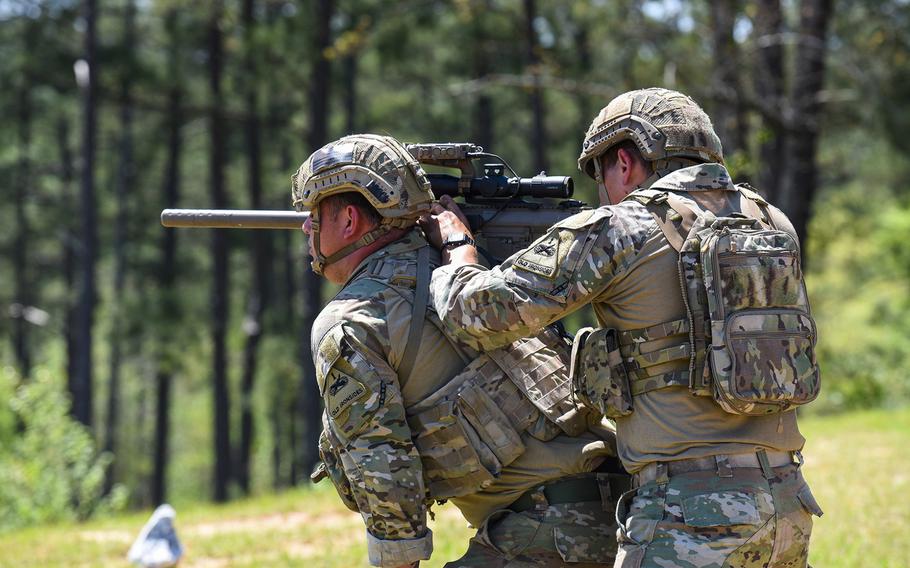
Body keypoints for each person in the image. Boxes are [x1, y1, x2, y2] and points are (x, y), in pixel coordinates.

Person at [423, 88, 824, 568]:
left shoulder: (625, 226)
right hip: (788, 503)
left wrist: (457, 246)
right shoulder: (771, 221)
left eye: (601, 174)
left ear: (625, 162)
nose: (603, 191)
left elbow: (477, 314)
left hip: (689, 517)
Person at [293, 133, 630, 568]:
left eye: (314, 215)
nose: (305, 227)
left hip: (548, 533)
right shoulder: (474, 272)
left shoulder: (351, 320)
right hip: (622, 513)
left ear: (350, 221)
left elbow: (384, 476)